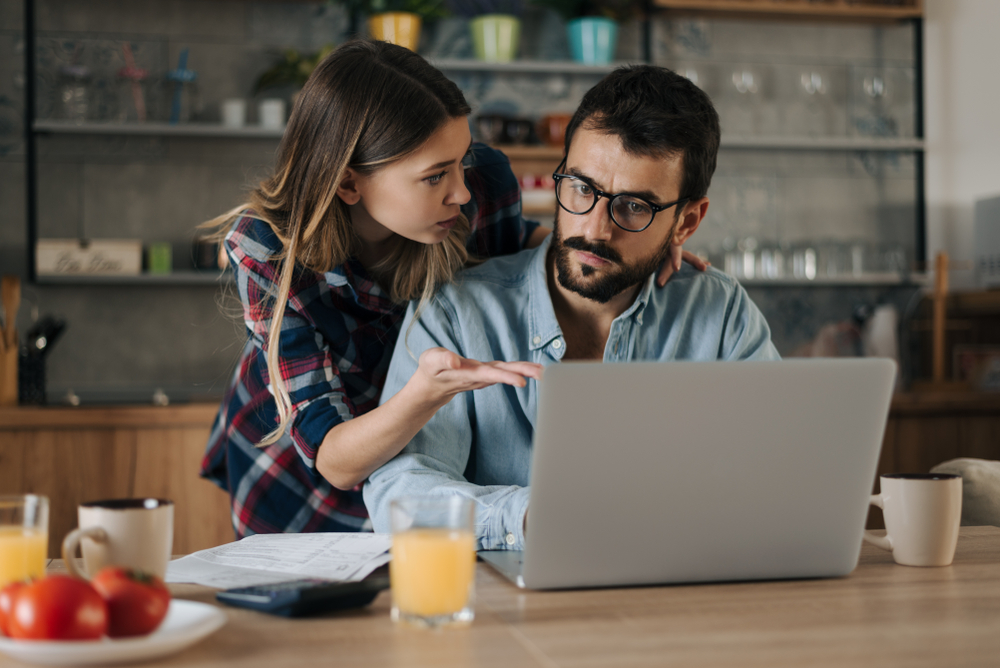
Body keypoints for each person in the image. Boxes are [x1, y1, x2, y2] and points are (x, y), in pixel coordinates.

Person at [200, 41, 702, 538]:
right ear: (350, 184)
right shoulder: (269, 249)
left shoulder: (478, 186)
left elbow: (530, 254)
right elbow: (336, 462)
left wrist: (639, 240)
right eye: (436, 176)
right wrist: (423, 393)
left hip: (415, 456)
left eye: (460, 160)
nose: (460, 190)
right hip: (307, 469)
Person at [364, 64, 781, 549]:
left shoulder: (722, 313)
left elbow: (775, 472)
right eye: (582, 189)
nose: (596, 230)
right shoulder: (456, 311)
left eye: (634, 207)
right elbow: (400, 494)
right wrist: (525, 517)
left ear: (687, 222)